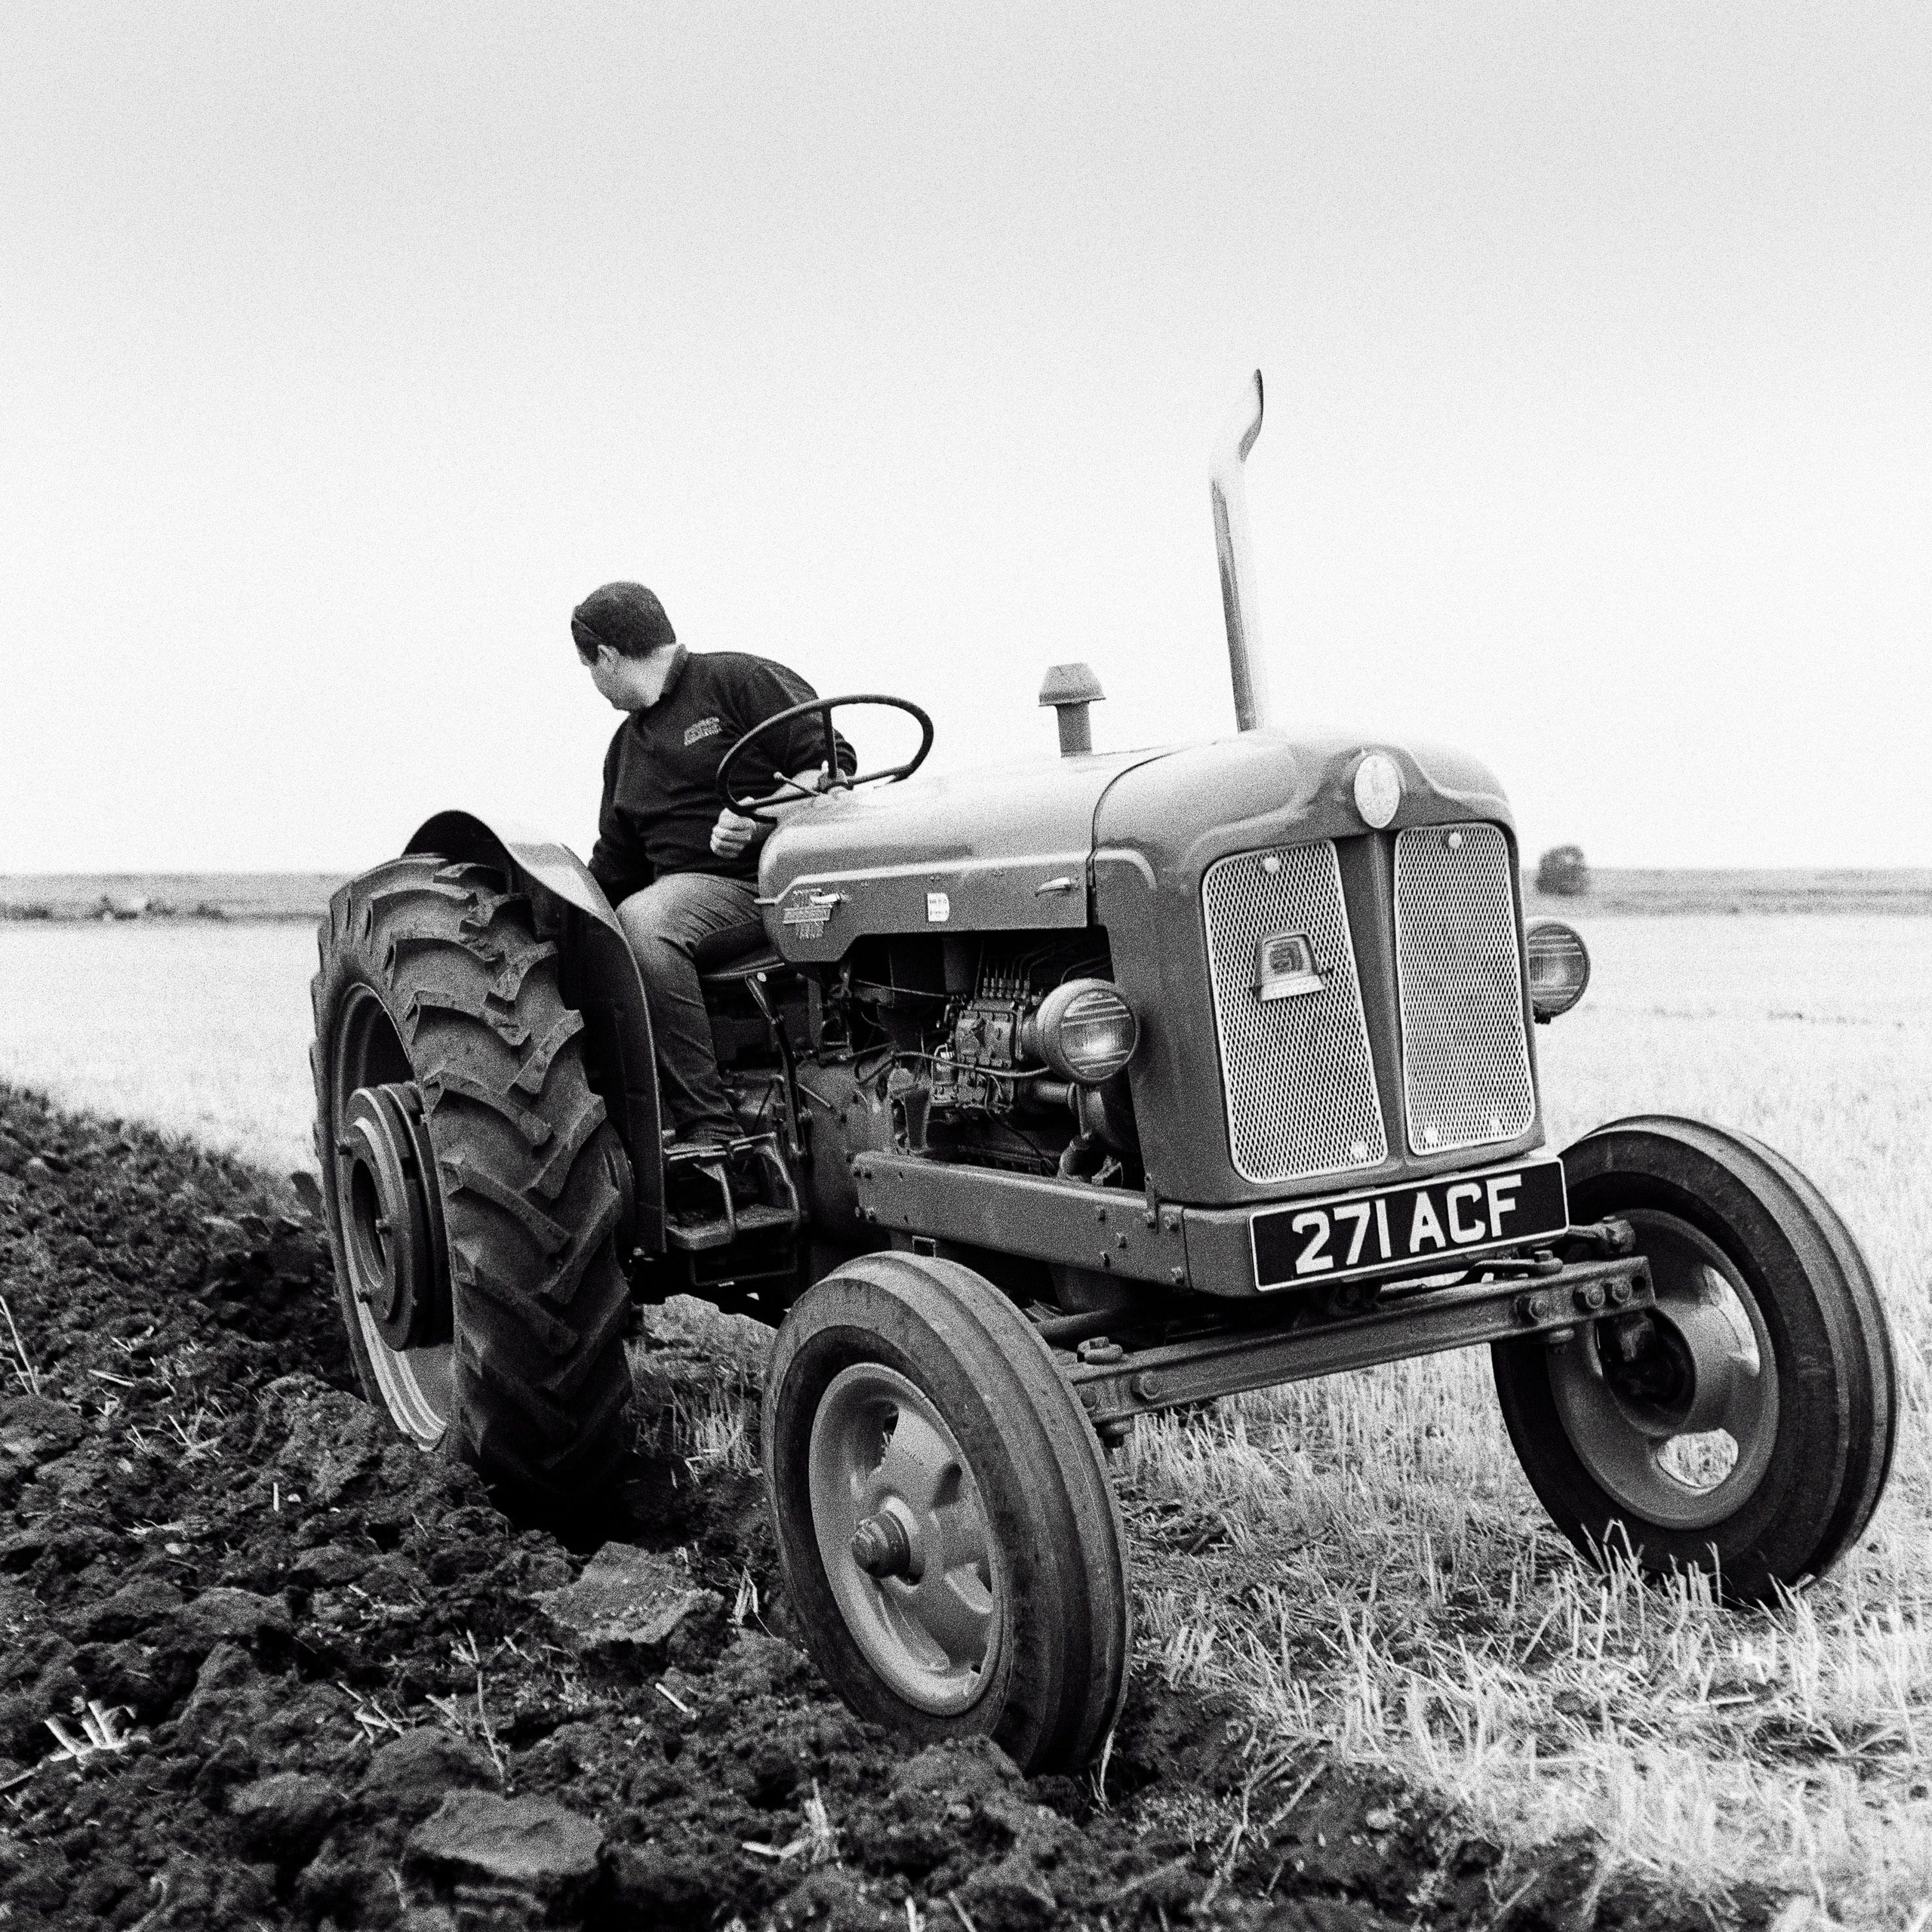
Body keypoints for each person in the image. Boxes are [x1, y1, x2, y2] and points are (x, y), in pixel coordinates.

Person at [574, 581, 853, 1156]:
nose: (595, 687)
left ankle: (710, 1127)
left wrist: (761, 819)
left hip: (771, 886)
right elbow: (616, 867)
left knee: (647, 923)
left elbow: (831, 768)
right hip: (687, 898)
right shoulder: (624, 749)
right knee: (622, 920)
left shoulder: (736, 681)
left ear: (606, 656)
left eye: (589, 670)